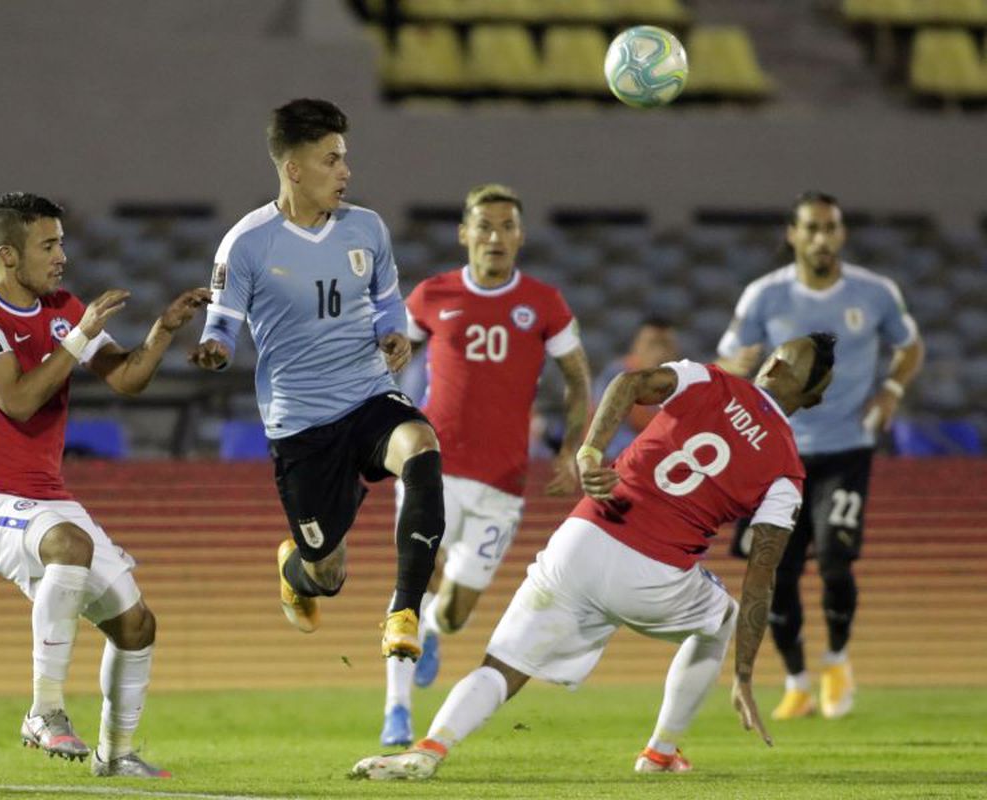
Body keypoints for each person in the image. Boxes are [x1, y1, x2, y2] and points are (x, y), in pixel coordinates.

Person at [352, 333, 837, 780]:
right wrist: (745, 675)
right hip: (657, 577)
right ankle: (660, 753)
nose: (772, 363)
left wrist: (590, 453)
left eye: (782, 362)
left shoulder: (708, 378)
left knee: (502, 665)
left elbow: (629, 383)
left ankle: (430, 748)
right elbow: (761, 576)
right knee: (722, 616)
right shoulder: (787, 471)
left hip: (582, 540)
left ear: (783, 375)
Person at [0, 192, 210, 778]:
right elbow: (16, 399)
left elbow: (127, 378)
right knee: (69, 544)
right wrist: (77, 334)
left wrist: (163, 329)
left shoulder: (63, 308)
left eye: (61, 241)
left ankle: (115, 756)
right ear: (9, 255)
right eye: (49, 244)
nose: (62, 255)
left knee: (137, 624)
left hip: (50, 502)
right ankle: (44, 710)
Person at [192, 98, 445, 663]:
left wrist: (394, 335)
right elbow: (222, 327)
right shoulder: (247, 243)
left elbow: (386, 305)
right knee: (326, 573)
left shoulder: (367, 228)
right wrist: (214, 350)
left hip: (368, 393)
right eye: (331, 160)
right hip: (302, 422)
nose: (345, 172)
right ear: (294, 169)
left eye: (345, 158)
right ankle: (294, 570)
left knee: (422, 447)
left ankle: (404, 612)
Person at [379, 183, 593, 747]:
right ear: (464, 233)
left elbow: (577, 378)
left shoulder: (545, 303)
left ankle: (430, 628)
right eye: (484, 225)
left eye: (506, 227)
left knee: (453, 614)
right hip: (432, 463)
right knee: (414, 575)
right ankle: (396, 712)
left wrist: (571, 446)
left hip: (502, 483)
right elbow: (389, 356)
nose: (495, 237)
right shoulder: (432, 295)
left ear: (520, 236)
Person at [717, 191, 924, 721]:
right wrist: (734, 364)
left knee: (835, 559)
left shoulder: (875, 293)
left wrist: (892, 392)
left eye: (830, 228)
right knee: (776, 571)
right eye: (810, 228)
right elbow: (729, 354)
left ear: (842, 234)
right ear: (792, 234)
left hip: (845, 451)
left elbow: (910, 345)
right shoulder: (763, 296)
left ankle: (835, 661)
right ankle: (797, 681)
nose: (820, 238)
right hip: (773, 455)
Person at [593, 316, 679, 461]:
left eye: (665, 345)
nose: (659, 353)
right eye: (652, 344)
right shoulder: (617, 377)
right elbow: (607, 431)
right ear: (636, 346)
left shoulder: (684, 382)